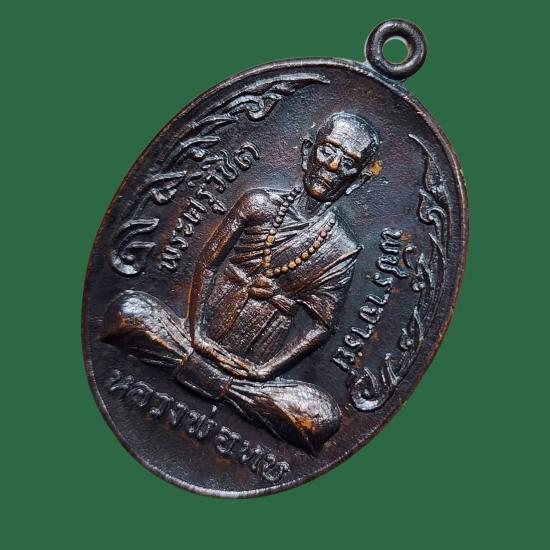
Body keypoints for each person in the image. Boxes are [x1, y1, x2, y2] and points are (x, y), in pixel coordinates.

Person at [103, 112, 381, 453]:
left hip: (254, 363)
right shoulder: (258, 203)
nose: (333, 166)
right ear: (308, 151)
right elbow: (207, 262)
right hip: (198, 331)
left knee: (320, 418)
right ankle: (202, 369)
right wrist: (196, 331)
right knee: (128, 311)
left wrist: (265, 371)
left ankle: (233, 391)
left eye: (348, 163)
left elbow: (323, 325)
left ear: (356, 182)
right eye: (327, 151)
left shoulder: (341, 248)